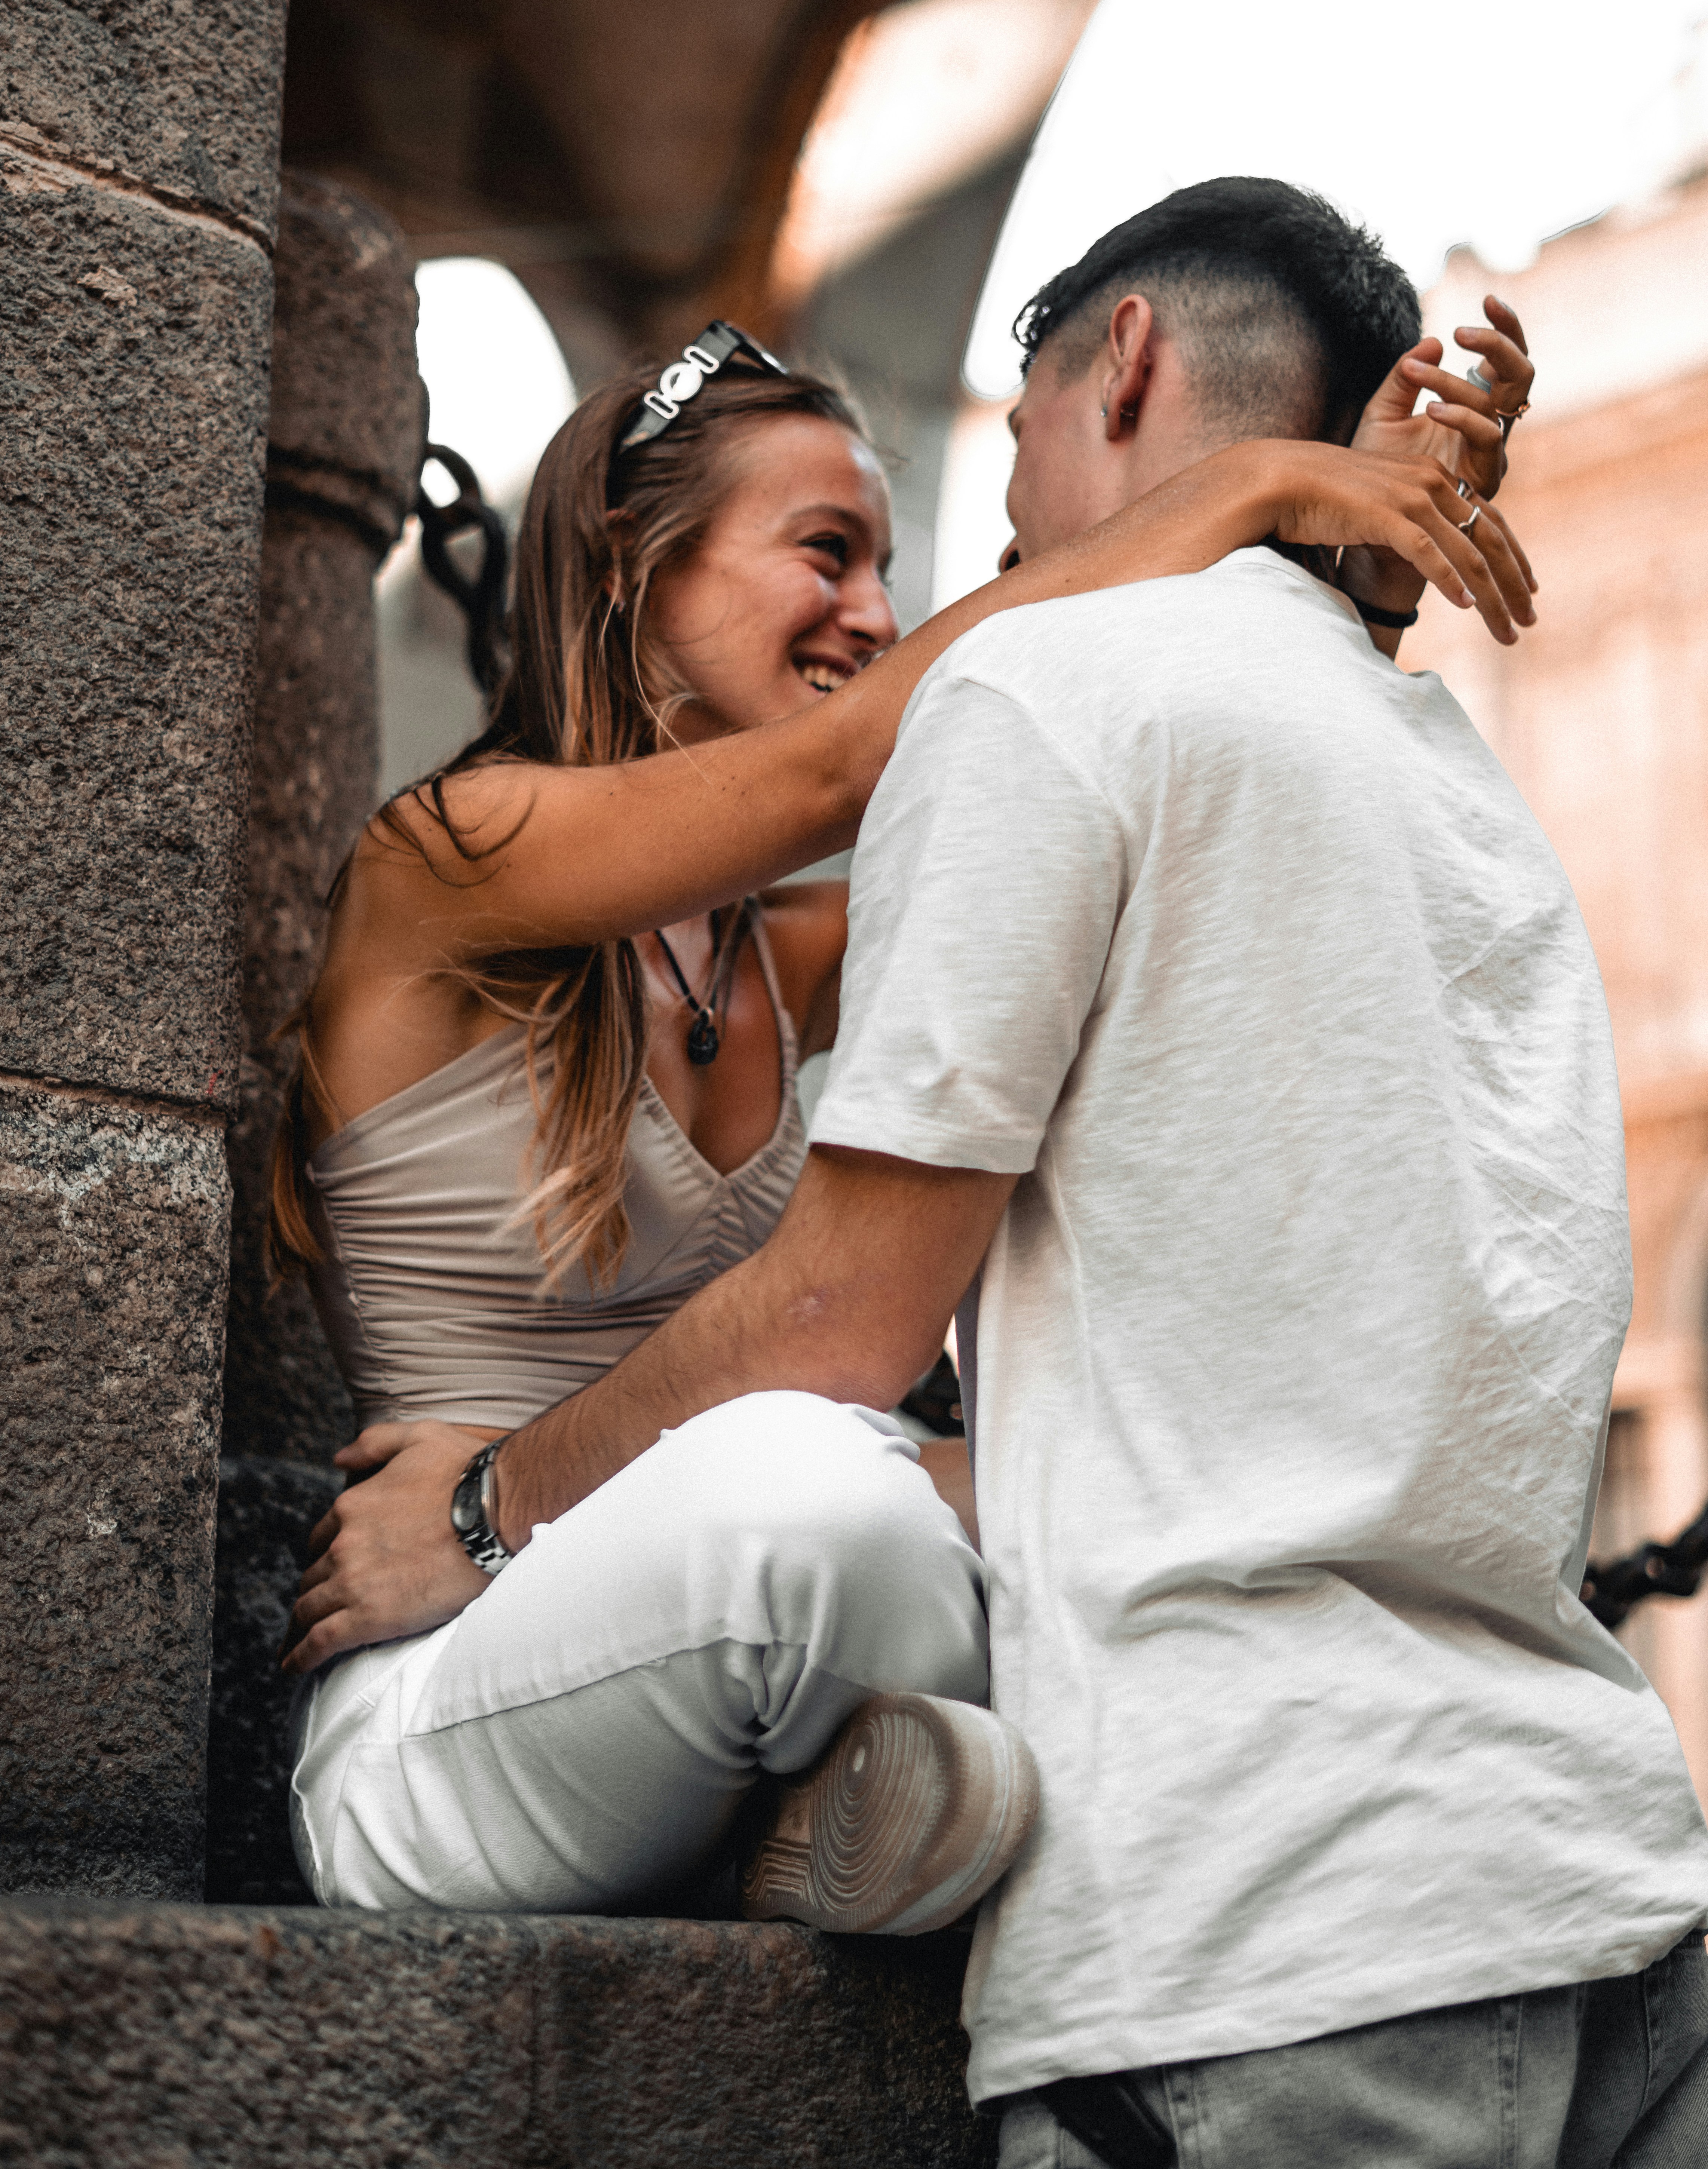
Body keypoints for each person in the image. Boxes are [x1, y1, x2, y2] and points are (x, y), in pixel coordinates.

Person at [294, 175, 1708, 2162]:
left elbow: (1185, 918)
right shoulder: (452, 859)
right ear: (630, 575)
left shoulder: (819, 944)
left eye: (891, 554)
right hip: (453, 1658)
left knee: (1006, 1512)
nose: (881, 602)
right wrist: (1246, 489)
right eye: (827, 548)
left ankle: (805, 1823)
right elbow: (857, 755)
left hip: (770, 1649)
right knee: (827, 1493)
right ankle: (824, 1799)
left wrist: (1338, 581)